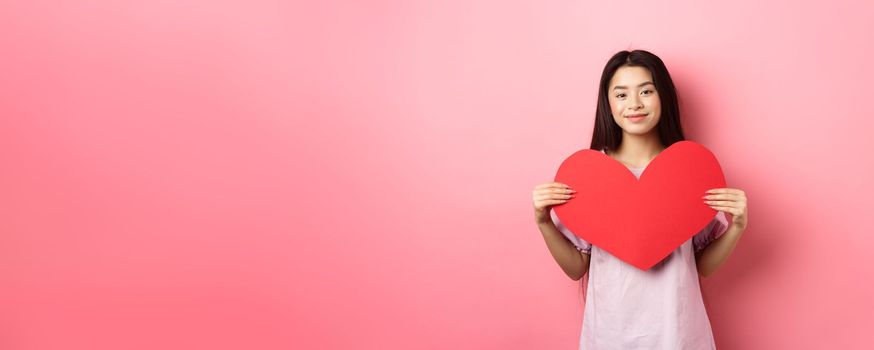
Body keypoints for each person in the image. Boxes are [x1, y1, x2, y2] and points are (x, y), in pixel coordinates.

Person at [531, 49, 749, 349]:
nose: (634, 104)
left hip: (679, 333)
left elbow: (702, 266)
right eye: (621, 95)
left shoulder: (690, 172)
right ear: (607, 103)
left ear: (664, 97)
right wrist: (544, 223)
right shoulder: (589, 177)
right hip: (611, 334)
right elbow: (577, 268)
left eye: (646, 91)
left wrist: (736, 226)